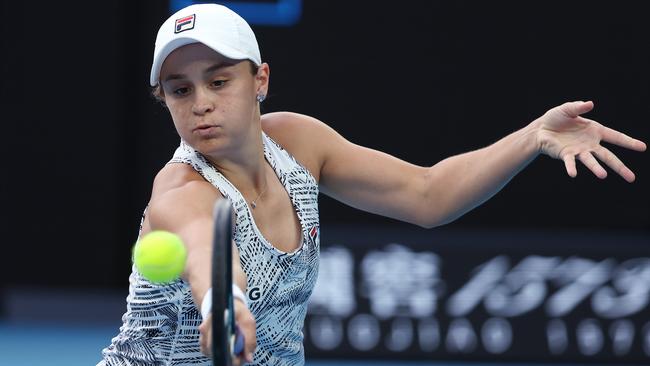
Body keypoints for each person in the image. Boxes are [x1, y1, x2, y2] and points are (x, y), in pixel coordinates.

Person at [98, 3, 646, 366]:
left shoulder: (298, 142)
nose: (201, 105)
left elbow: (428, 196)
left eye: (219, 81)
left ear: (259, 79)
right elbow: (202, 248)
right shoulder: (179, 190)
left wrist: (532, 137)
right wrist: (224, 300)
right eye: (178, 90)